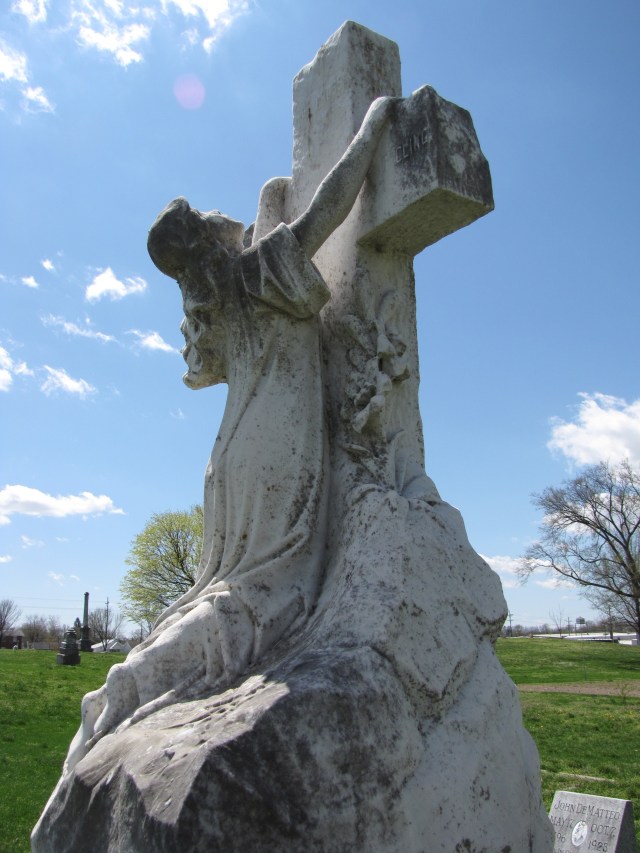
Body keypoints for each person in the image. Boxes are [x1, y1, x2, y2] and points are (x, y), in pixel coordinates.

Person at [65, 96, 395, 773]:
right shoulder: (258, 266)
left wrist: (264, 200)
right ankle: (132, 687)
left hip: (231, 455)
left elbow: (274, 202)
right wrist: (372, 124)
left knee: (224, 592)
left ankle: (127, 687)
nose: (226, 214)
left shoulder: (222, 293)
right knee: (255, 600)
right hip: (273, 449)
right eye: (213, 215)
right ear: (209, 235)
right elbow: (328, 204)